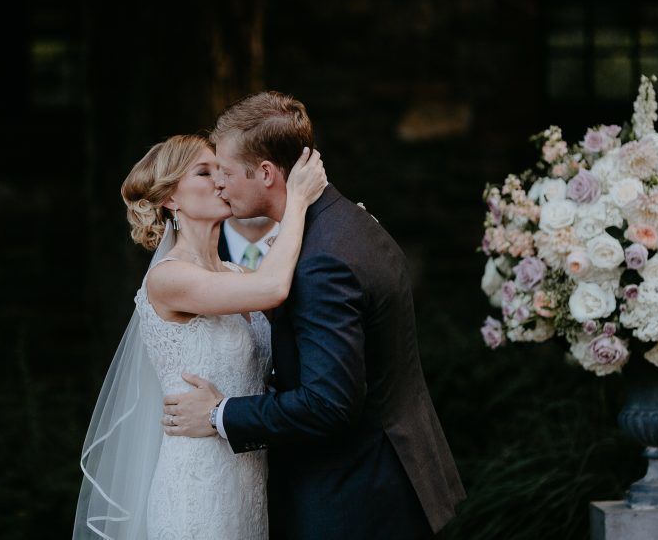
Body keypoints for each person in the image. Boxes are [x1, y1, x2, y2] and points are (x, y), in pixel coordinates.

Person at [162, 91, 466, 539]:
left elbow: (328, 404)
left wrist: (219, 414)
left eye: (225, 172)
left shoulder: (321, 262)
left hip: (352, 500)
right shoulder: (351, 223)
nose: (219, 185)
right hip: (390, 476)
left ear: (266, 173)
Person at [73, 133, 327, 540]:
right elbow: (274, 288)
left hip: (248, 484)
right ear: (171, 198)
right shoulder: (168, 279)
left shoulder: (240, 275)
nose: (220, 181)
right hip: (195, 488)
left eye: (222, 171)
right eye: (204, 172)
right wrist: (295, 202)